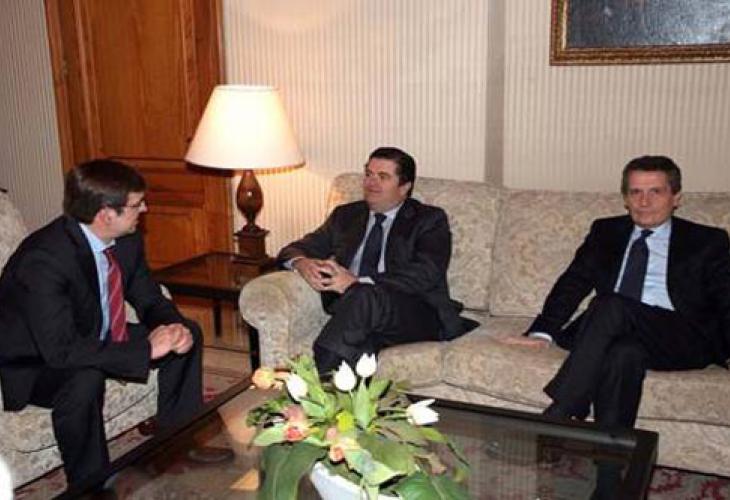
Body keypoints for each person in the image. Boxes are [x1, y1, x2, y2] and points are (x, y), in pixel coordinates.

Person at [0, 159, 203, 486]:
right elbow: (61, 351)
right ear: (106, 214)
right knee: (85, 378)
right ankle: (91, 485)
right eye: (137, 204)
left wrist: (172, 327)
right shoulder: (43, 260)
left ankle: (178, 444)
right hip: (37, 362)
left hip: (95, 333)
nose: (145, 209)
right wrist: (144, 351)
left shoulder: (126, 239)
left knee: (189, 332)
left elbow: (148, 297)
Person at [508, 155, 730, 430]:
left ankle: (562, 410)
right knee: (624, 354)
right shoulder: (606, 232)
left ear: (676, 198)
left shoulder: (707, 240)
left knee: (611, 304)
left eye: (655, 192)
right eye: (635, 192)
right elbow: (574, 282)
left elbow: (726, 297)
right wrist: (542, 332)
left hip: (678, 336)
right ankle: (610, 453)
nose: (644, 202)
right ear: (625, 198)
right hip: (615, 331)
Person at [278, 147, 478, 373]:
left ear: (404, 187)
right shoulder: (346, 216)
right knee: (360, 348)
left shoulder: (428, 219)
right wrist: (301, 263)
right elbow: (293, 249)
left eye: (383, 177)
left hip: (415, 312)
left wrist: (357, 282)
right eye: (368, 174)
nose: (371, 182)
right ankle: (332, 388)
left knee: (363, 294)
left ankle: (314, 376)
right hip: (357, 312)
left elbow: (426, 272)